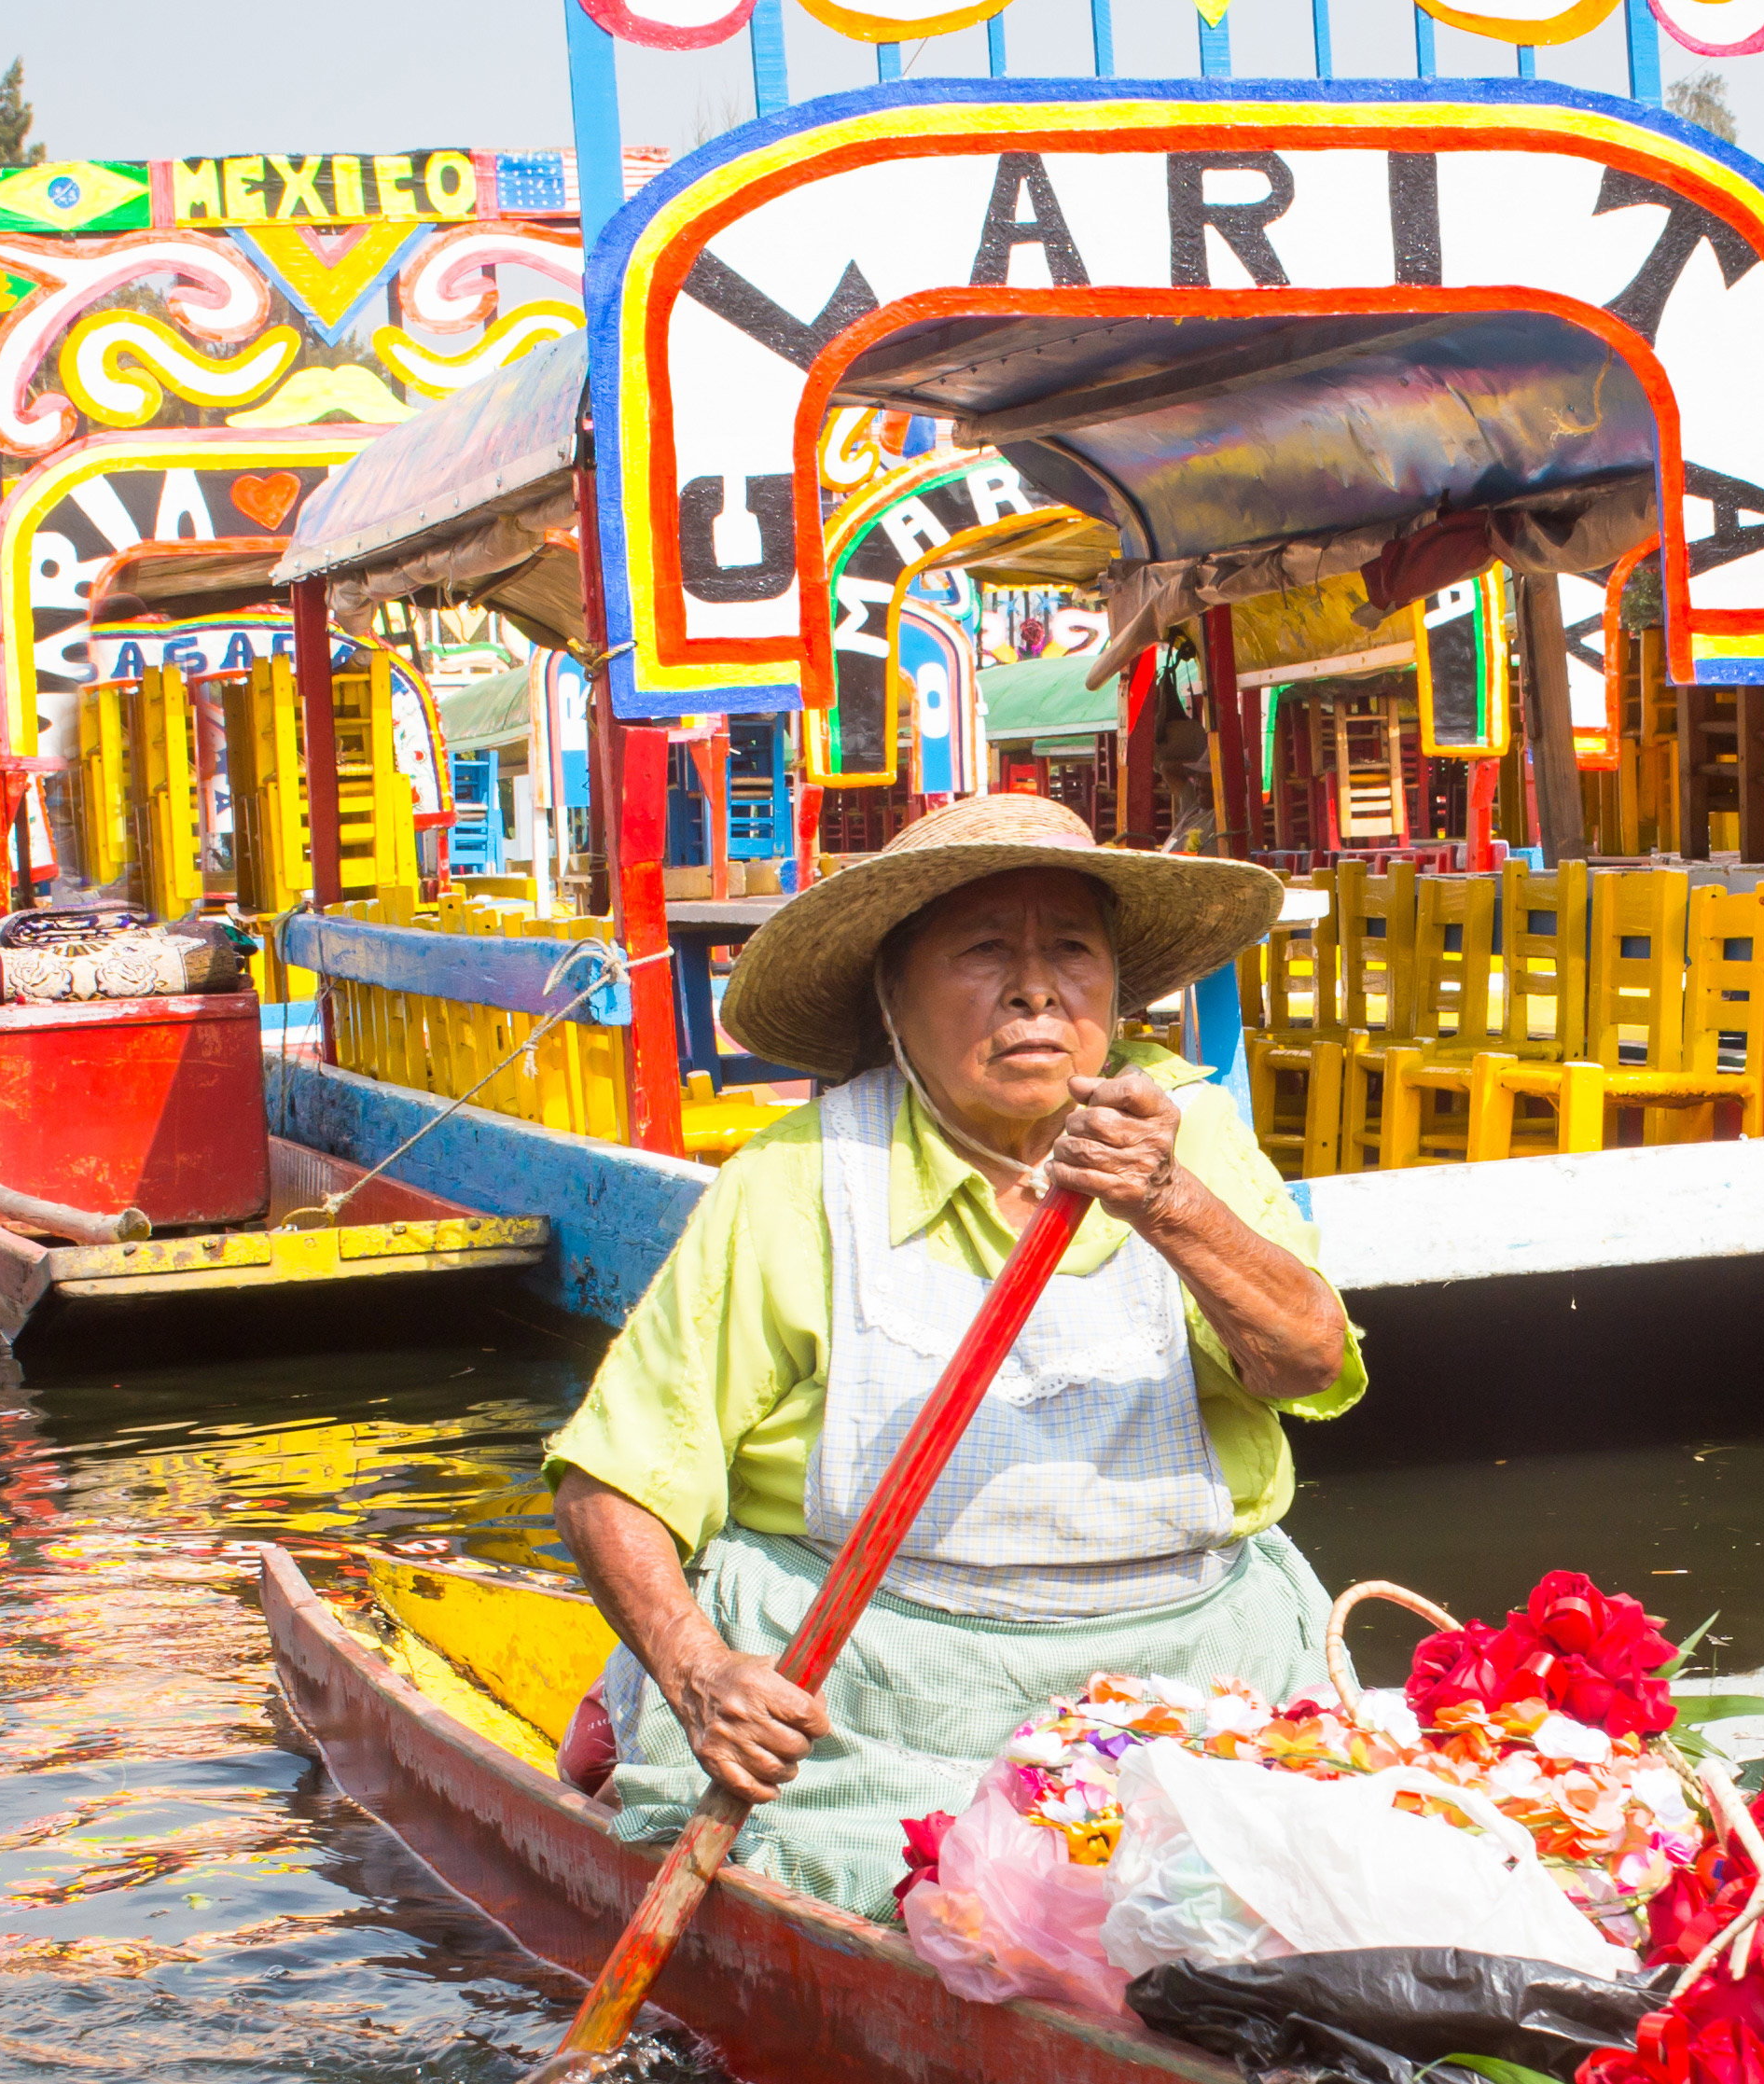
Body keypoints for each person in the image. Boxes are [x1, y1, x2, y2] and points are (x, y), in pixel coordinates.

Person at [543, 788, 1361, 1910]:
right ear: (894, 996)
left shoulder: (1189, 1130)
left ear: (1116, 988)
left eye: (1071, 951)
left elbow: (1308, 1363)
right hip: (880, 1710)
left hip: (1200, 1676)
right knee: (902, 1900)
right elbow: (611, 1481)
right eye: (985, 953)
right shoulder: (799, 1179)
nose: (1037, 989)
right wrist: (697, 1673)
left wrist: (1170, 1204)